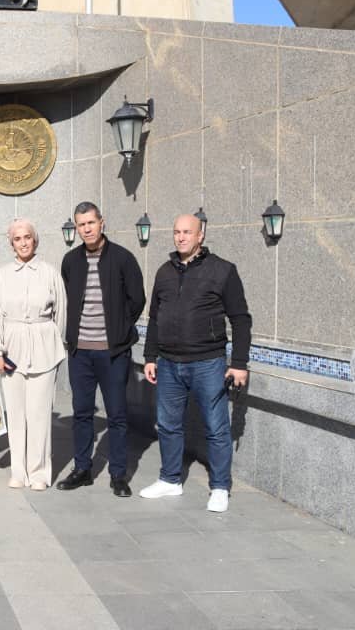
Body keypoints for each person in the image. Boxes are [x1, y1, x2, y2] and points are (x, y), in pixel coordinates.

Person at [140, 214, 251, 513]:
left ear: (200, 235)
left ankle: (220, 487)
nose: (181, 237)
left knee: (216, 427)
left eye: (187, 232)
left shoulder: (223, 270)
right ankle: (170, 479)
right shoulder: (164, 272)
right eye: (177, 232)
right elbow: (155, 318)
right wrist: (150, 357)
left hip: (208, 363)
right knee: (168, 424)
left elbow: (241, 319)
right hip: (169, 363)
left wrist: (239, 363)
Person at [55, 202, 145, 498]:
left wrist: (119, 328)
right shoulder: (71, 261)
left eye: (91, 223)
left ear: (101, 223)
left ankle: (118, 475)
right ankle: (82, 469)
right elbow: (69, 298)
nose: (87, 229)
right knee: (82, 412)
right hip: (80, 352)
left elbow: (137, 299)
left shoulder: (122, 258)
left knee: (117, 414)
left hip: (113, 353)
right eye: (81, 225)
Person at [0, 219, 67, 490]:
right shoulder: (1, 276)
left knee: (39, 414)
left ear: (35, 240)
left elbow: (61, 314)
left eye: (27, 237)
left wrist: (54, 342)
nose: (23, 242)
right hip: (12, 350)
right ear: (11, 244)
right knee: (16, 414)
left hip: (43, 347)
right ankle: (19, 471)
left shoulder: (50, 273)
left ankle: (39, 472)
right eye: (17, 238)